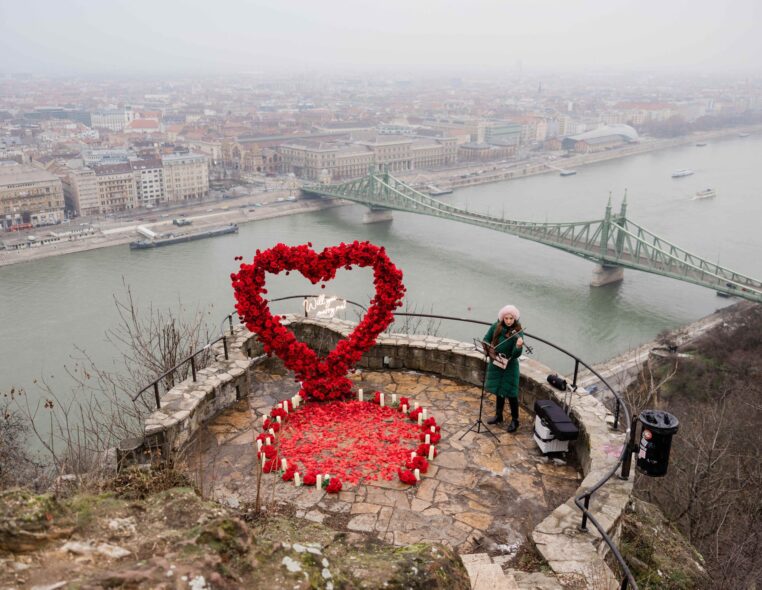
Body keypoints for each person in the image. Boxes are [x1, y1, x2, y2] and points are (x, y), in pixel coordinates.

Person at [483, 304, 524, 433]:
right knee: (499, 390)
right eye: (506, 318)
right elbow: (486, 339)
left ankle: (515, 420)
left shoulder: (518, 331)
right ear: (502, 318)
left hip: (510, 366)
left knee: (511, 393)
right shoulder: (496, 326)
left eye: (511, 318)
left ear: (515, 319)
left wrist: (518, 346)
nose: (508, 321)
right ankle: (498, 416)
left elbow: (516, 354)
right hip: (497, 362)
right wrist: (490, 349)